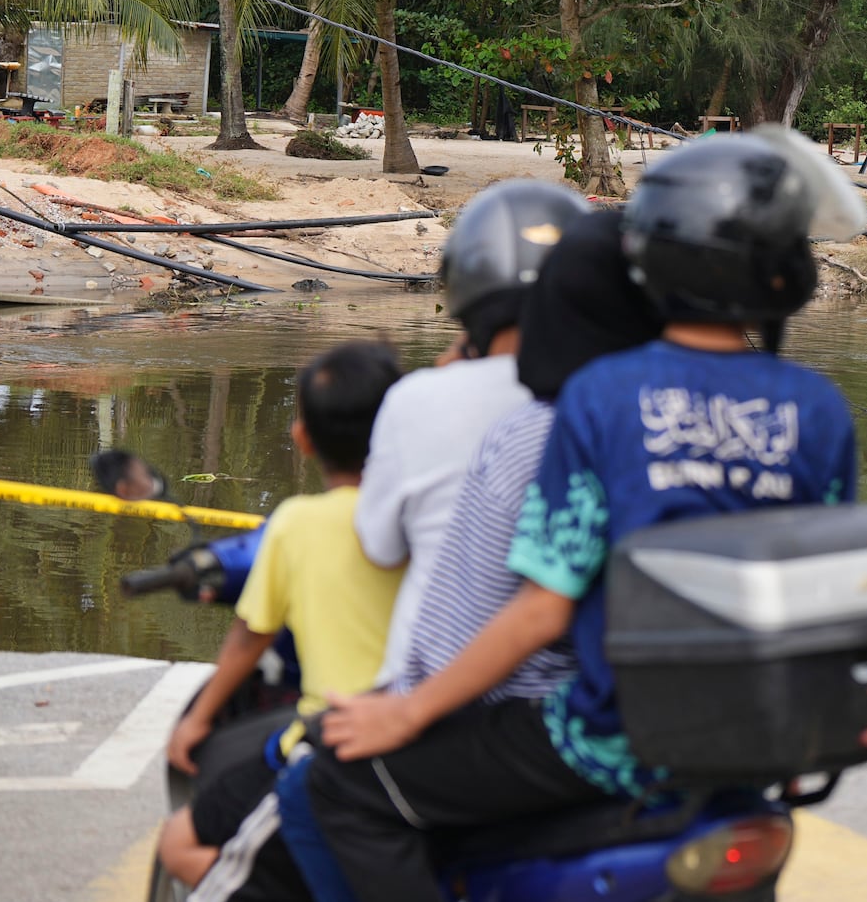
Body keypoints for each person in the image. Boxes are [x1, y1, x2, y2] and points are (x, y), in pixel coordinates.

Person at [301, 128, 867, 901]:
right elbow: (821, 586)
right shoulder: (822, 410)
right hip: (756, 740)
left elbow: (542, 610)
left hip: (608, 740)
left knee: (347, 784)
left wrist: (407, 712)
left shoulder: (601, 396)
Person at [272, 209, 665, 902]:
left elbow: (510, 609)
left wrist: (411, 706)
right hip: (657, 706)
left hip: (523, 713)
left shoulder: (526, 426)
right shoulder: (661, 408)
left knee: (323, 782)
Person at [156, 340, 403, 896]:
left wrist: (197, 720)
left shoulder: (295, 524)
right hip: (432, 736)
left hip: (328, 745)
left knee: (178, 844)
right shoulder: (429, 513)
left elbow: (252, 632)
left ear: (302, 436)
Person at [356, 180, 589, 690]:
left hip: (428, 692)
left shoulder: (418, 397)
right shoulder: (611, 402)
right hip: (581, 696)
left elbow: (380, 546)